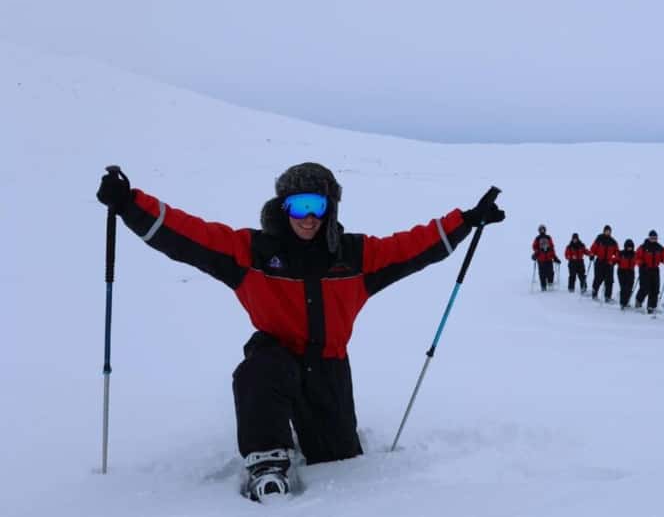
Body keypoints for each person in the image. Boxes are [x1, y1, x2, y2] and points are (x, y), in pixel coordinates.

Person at [96, 163, 505, 502]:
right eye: (298, 205)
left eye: (317, 205)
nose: (308, 217)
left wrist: (467, 221)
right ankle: (266, 463)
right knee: (259, 371)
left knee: (339, 462)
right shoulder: (251, 252)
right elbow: (188, 235)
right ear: (283, 207)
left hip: (328, 367)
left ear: (329, 209)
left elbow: (412, 247)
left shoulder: (354, 256)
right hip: (275, 356)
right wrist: (130, 205)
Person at [635, 230, 664, 314]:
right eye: (652, 238)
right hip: (645, 269)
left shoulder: (659, 248)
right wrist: (641, 263)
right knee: (645, 288)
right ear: (649, 237)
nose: (653, 239)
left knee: (655, 289)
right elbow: (637, 257)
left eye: (655, 238)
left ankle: (651, 306)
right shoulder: (643, 247)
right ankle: (638, 301)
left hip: (655, 269)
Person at [590, 225, 619, 302]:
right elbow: (593, 248)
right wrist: (592, 254)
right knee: (598, 278)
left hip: (609, 263)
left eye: (609, 231)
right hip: (599, 261)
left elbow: (617, 253)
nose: (607, 232)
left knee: (609, 281)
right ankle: (594, 294)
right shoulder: (599, 239)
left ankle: (607, 297)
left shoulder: (613, 241)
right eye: (606, 231)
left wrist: (613, 260)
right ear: (604, 231)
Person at [532, 224, 561, 291]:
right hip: (541, 259)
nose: (542, 230)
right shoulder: (537, 238)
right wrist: (536, 253)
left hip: (549, 258)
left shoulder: (548, 237)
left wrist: (555, 258)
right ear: (539, 230)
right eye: (541, 229)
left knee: (550, 272)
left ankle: (550, 284)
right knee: (542, 273)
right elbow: (534, 246)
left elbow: (552, 247)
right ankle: (543, 286)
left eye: (543, 229)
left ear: (545, 230)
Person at [616, 239, 637, 308]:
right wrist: (612, 262)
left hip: (631, 272)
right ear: (625, 246)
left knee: (629, 288)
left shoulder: (634, 254)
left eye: (631, 247)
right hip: (622, 271)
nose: (629, 248)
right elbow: (616, 259)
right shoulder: (621, 253)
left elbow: (640, 259)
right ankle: (622, 303)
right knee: (624, 287)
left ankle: (626, 301)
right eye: (628, 246)